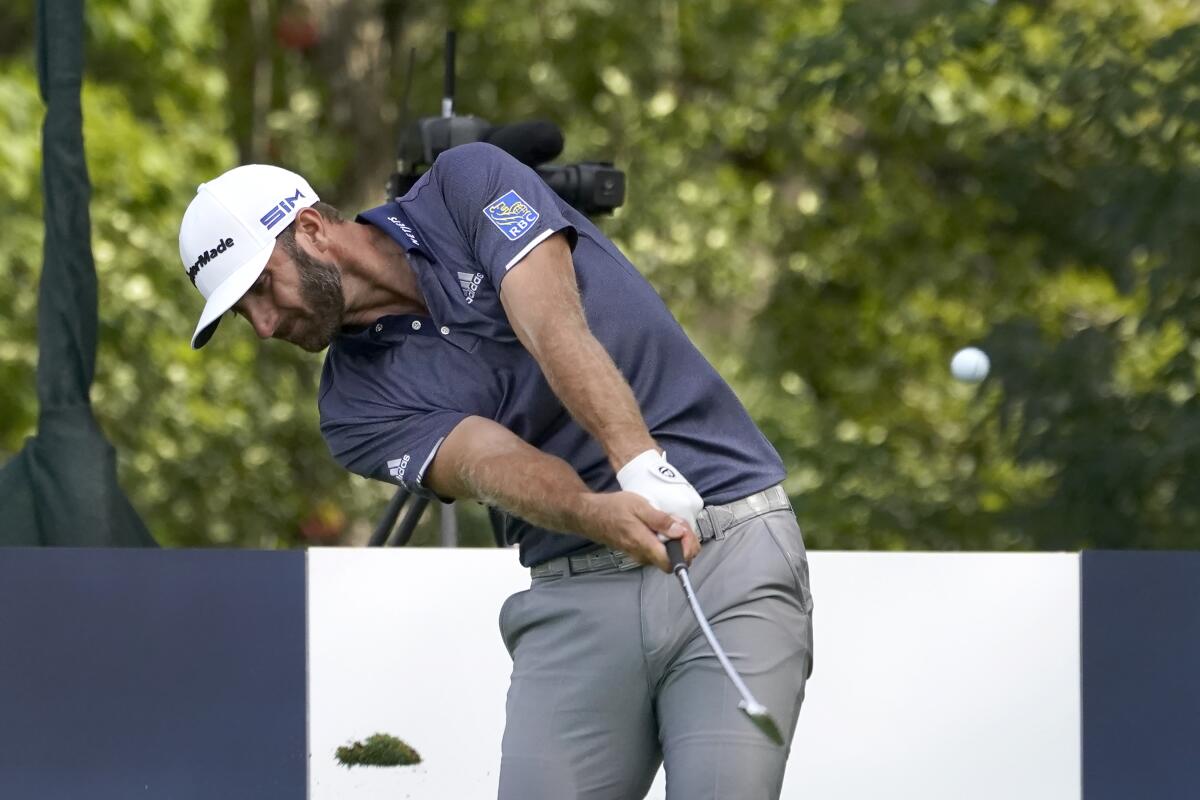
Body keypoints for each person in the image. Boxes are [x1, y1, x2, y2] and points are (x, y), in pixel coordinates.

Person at [177, 142, 814, 800]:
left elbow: (550, 322)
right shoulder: (352, 408)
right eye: (240, 313)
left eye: (260, 287)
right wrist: (598, 512)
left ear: (310, 227)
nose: (261, 323)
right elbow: (487, 462)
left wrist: (637, 461)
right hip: (574, 592)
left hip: (726, 547)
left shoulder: (466, 182)